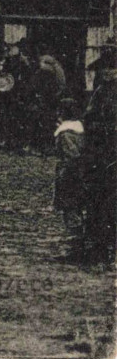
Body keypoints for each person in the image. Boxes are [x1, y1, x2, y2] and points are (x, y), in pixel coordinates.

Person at [80, 42, 116, 266]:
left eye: (106, 70)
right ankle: (96, 246)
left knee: (106, 200)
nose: (101, 74)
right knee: (97, 199)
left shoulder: (110, 92)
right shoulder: (103, 90)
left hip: (108, 153)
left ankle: (102, 249)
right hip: (99, 152)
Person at [53, 97, 88, 261]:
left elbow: (71, 156)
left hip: (69, 174)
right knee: (78, 207)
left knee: (70, 208)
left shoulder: (65, 134)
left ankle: (77, 245)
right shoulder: (81, 131)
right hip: (82, 173)